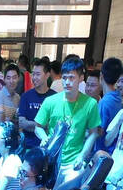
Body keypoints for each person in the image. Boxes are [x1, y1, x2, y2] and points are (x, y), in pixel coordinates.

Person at [34, 54, 104, 182]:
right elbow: (38, 127)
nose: (67, 82)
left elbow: (94, 133)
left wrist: (82, 156)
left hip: (73, 162)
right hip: (50, 159)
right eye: (64, 78)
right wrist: (44, 137)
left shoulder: (90, 104)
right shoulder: (50, 101)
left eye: (72, 78)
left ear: (81, 78)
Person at [17, 56, 55, 149]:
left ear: (47, 75)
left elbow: (54, 125)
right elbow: (22, 123)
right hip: (28, 147)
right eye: (33, 74)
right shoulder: (25, 96)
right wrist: (42, 126)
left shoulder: (54, 97)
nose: (34, 77)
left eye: (38, 74)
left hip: (48, 146)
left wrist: (31, 125)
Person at [98, 56, 123, 132]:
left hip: (103, 143)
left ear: (101, 76)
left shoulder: (104, 102)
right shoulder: (119, 97)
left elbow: (98, 132)